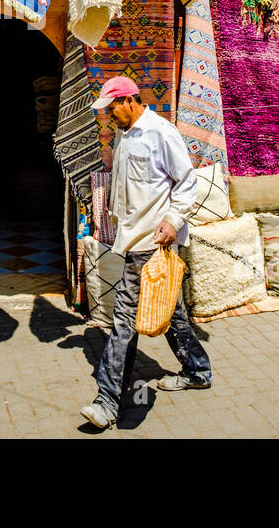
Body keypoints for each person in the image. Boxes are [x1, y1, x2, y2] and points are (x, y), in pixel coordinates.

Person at [80, 75, 212, 430]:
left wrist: (172, 220)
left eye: (111, 109)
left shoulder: (160, 132)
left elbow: (186, 182)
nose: (108, 117)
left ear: (129, 101)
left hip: (153, 243)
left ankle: (108, 402)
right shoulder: (124, 135)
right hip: (133, 238)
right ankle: (198, 371)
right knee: (169, 311)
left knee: (124, 321)